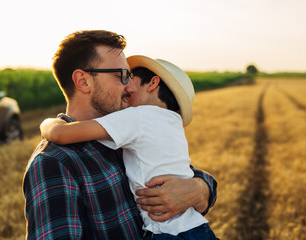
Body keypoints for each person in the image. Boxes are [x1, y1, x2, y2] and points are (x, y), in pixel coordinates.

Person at [23, 30, 217, 240]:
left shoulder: (128, 129)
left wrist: (199, 189)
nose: (131, 86)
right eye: (122, 76)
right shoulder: (55, 162)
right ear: (83, 81)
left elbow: (185, 172)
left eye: (131, 76)